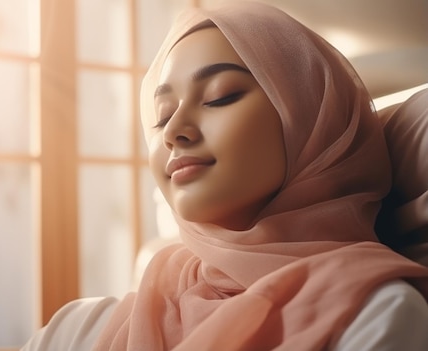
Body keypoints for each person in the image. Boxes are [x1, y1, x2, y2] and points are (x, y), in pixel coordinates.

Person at [22, 2, 428, 350]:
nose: (173, 130)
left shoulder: (373, 313)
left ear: (309, 120)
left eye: (220, 96)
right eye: (161, 116)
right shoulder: (79, 329)